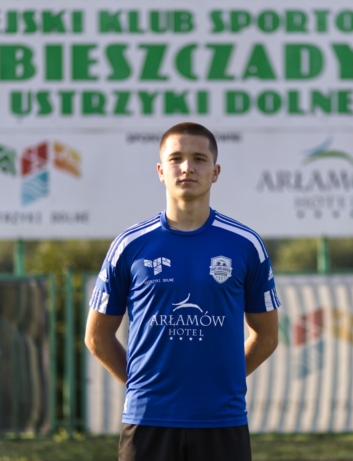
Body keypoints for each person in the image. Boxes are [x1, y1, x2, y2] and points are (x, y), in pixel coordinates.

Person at [85, 122, 280, 461]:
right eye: (176, 158)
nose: (187, 167)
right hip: (147, 421)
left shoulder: (245, 244)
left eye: (199, 159)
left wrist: (223, 381)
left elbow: (267, 335)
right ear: (161, 171)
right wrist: (142, 387)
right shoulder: (130, 245)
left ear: (215, 172)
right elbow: (97, 336)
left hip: (222, 420)